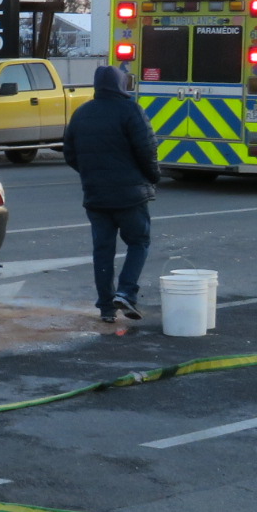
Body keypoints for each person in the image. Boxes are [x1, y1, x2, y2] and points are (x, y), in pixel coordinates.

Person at [62, 63, 160, 324]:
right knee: (139, 242)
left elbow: (69, 152)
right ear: (120, 84)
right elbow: (147, 150)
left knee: (102, 250)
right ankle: (126, 292)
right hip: (130, 196)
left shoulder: (81, 113)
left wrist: (90, 173)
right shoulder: (131, 111)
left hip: (96, 195)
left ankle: (106, 308)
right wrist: (152, 177)